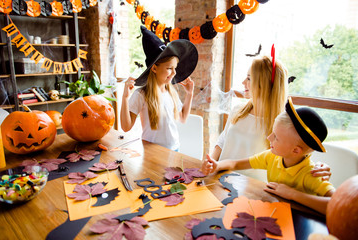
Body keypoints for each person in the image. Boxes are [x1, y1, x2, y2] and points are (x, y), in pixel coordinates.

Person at [202, 98, 335, 214]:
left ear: (295, 150)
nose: (269, 137)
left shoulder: (311, 174)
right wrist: (216, 165)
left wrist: (293, 194)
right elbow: (235, 164)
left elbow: (335, 204)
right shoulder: (272, 157)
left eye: (276, 137)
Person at [211, 53, 331, 181]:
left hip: (252, 189)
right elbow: (222, 141)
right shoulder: (237, 110)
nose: (243, 82)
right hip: (220, 178)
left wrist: (320, 167)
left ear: (264, 85)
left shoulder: (281, 123)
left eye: (249, 78)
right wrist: (211, 163)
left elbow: (297, 152)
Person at [120, 26, 198, 151]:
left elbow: (182, 118)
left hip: (175, 149)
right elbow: (126, 127)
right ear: (154, 68)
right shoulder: (141, 94)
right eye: (169, 68)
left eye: (175, 68)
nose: (174, 73)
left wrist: (190, 93)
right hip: (153, 152)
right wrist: (124, 98)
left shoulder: (171, 93)